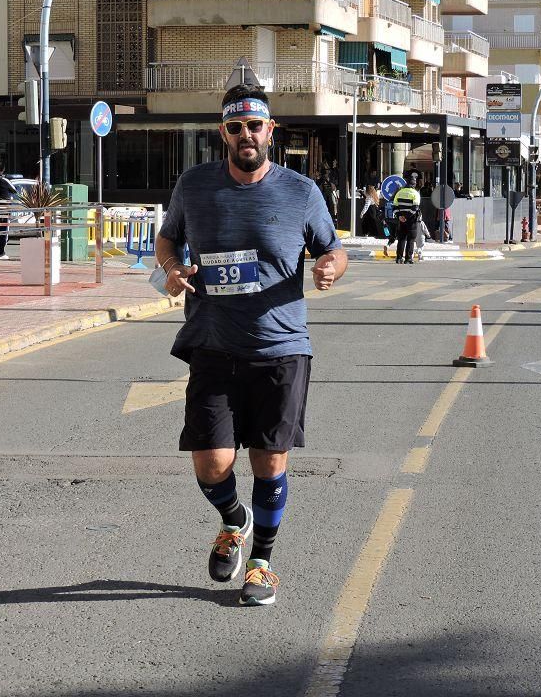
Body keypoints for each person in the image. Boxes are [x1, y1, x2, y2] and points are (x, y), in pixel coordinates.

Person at [154, 84, 348, 607]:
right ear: (224, 132)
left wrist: (330, 267)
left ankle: (262, 562)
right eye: (235, 127)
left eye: (255, 126)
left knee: (269, 460)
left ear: (270, 131)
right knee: (211, 461)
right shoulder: (194, 186)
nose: (246, 135)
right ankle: (232, 521)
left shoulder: (301, 191)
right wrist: (172, 270)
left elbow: (333, 248)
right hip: (212, 343)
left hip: (280, 346)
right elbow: (168, 240)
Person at [392, 180, 421, 264]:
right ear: (414, 185)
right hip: (411, 220)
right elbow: (415, 208)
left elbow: (394, 206)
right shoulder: (415, 193)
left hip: (401, 220)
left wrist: (400, 216)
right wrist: (407, 217)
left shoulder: (399, 192)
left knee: (401, 239)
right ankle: (408, 259)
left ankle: (399, 258)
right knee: (411, 239)